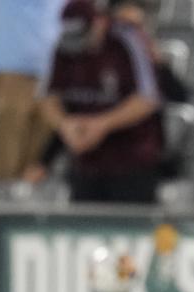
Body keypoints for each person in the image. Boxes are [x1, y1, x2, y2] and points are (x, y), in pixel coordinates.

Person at [40, 0, 164, 203]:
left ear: (100, 22)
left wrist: (102, 125)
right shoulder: (63, 45)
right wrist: (65, 125)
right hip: (85, 163)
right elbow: (47, 97)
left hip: (131, 160)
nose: (79, 45)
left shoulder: (127, 39)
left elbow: (148, 97)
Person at [0, 0, 65, 182]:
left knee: (41, 162)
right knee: (6, 161)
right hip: (12, 70)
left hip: (55, 72)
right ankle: (2, 207)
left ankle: (31, 205)